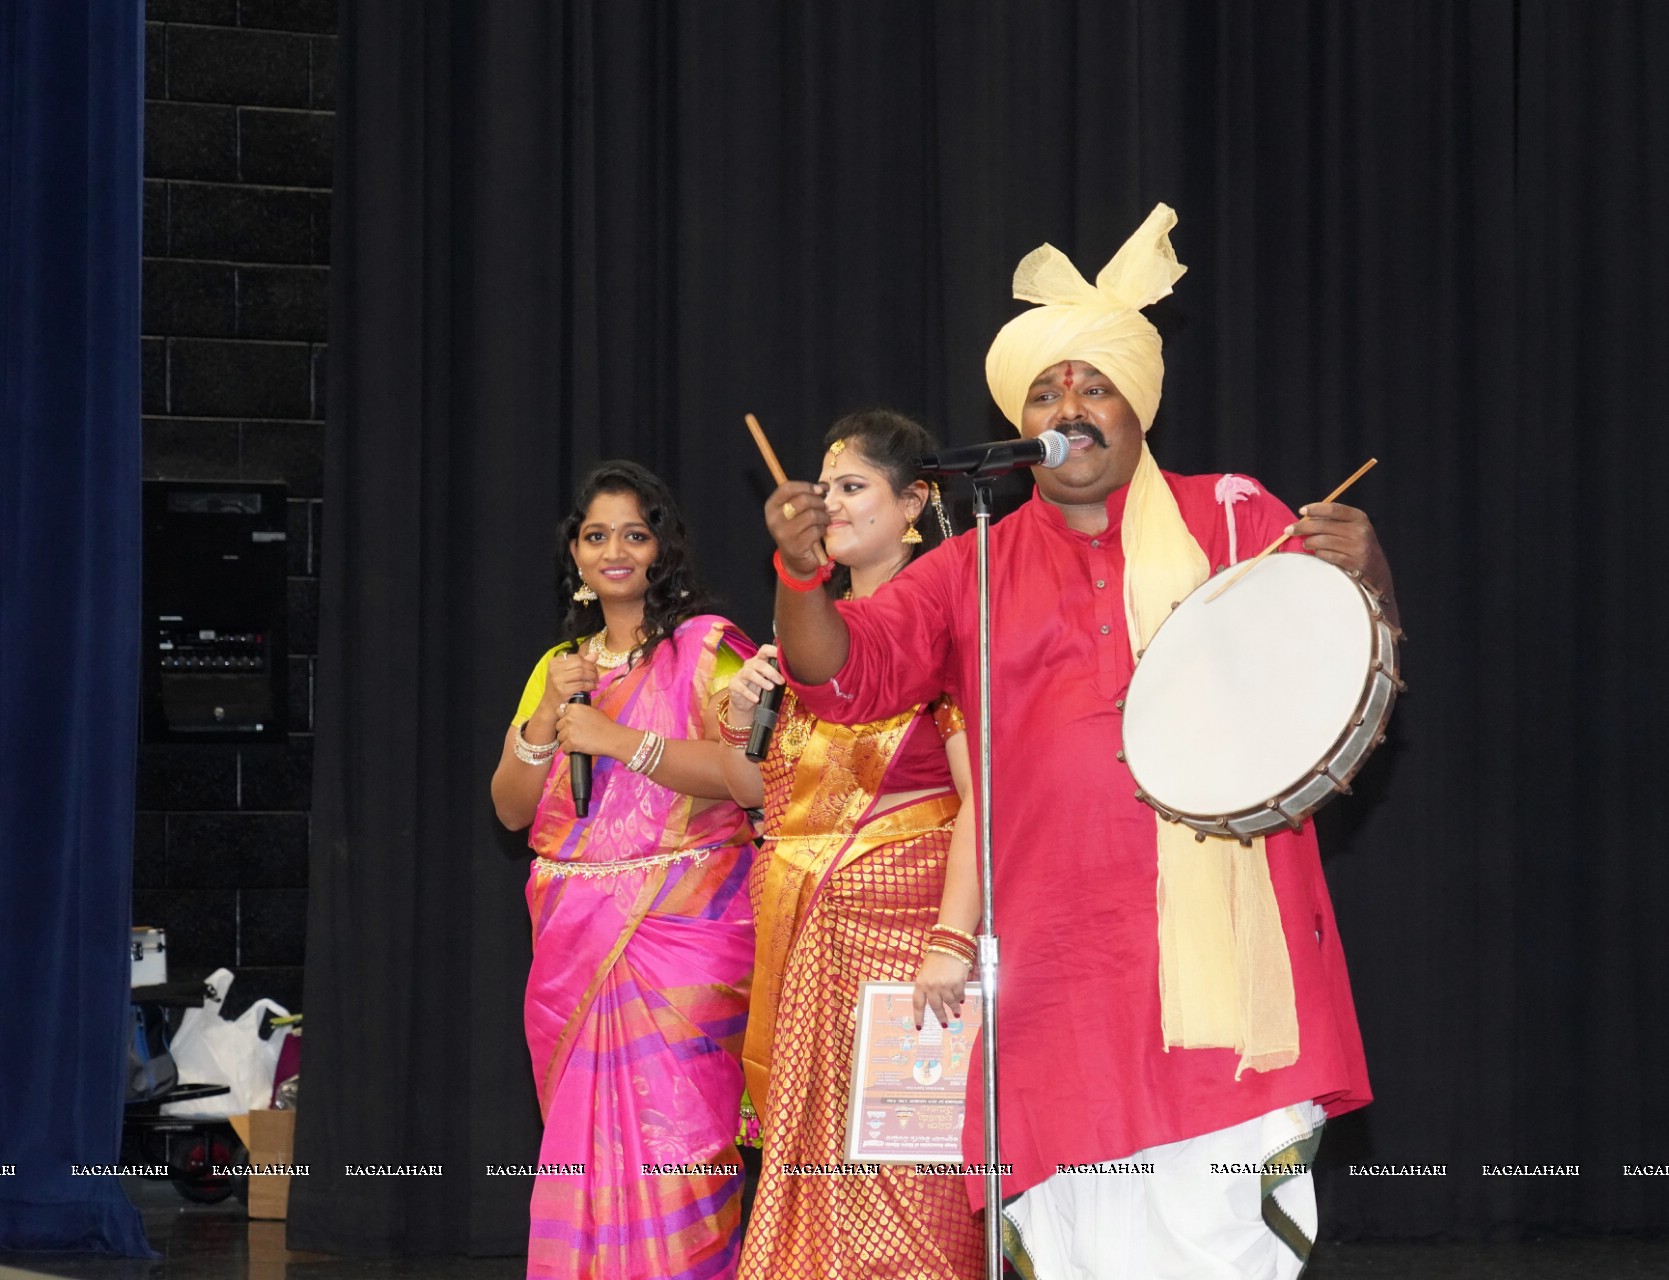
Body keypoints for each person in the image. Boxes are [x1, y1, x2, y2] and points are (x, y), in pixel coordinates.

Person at [758, 206, 1397, 1279]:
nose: (1068, 406)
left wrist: (1367, 571)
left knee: (1214, 1233)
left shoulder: (1235, 519)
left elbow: (1332, 678)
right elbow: (841, 671)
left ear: (1137, 406)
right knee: (1081, 1245)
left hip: (1220, 972)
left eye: (1091, 385)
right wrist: (798, 573)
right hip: (1058, 968)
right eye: (1046, 390)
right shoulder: (970, 568)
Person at [715, 411, 985, 1280]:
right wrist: (743, 713)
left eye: (853, 486)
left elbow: (982, 794)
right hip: (809, 947)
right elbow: (776, 799)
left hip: (910, 952)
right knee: (811, 1180)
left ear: (914, 505)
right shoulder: (810, 639)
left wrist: (950, 941)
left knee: (909, 1180)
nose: (829, 503)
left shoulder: (943, 631)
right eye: (823, 487)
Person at [490, 461, 758, 1280]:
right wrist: (547, 719)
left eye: (633, 535)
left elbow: (749, 779)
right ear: (574, 553)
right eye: (596, 535)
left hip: (684, 935)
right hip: (576, 941)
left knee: (680, 1138)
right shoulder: (558, 668)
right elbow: (508, 809)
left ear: (661, 550)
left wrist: (620, 743)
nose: (614, 551)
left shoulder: (706, 647)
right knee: (587, 1148)